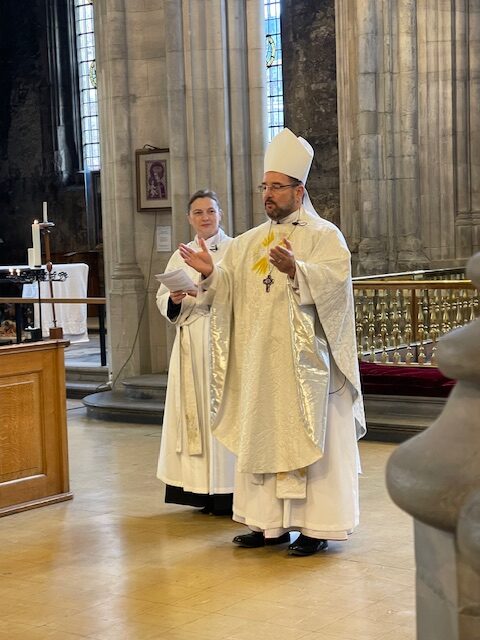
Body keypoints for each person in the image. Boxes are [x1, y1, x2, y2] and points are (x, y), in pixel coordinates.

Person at [179, 129, 366, 555]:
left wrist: (299, 270)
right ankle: (268, 525)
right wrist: (211, 273)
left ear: (299, 191)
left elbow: (337, 286)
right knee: (261, 436)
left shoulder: (325, 236)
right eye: (265, 186)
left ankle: (317, 527)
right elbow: (229, 290)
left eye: (277, 187)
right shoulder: (248, 242)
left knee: (314, 444)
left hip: (310, 368)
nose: (268, 194)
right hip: (261, 363)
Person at [156, 189, 235, 515]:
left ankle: (228, 491)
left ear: (220, 214)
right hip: (189, 342)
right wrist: (173, 300)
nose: (205, 217)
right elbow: (162, 296)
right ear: (189, 218)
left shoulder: (235, 249)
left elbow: (239, 293)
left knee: (223, 413)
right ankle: (198, 489)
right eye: (198, 212)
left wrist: (206, 285)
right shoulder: (180, 255)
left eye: (210, 211)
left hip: (224, 342)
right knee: (194, 416)